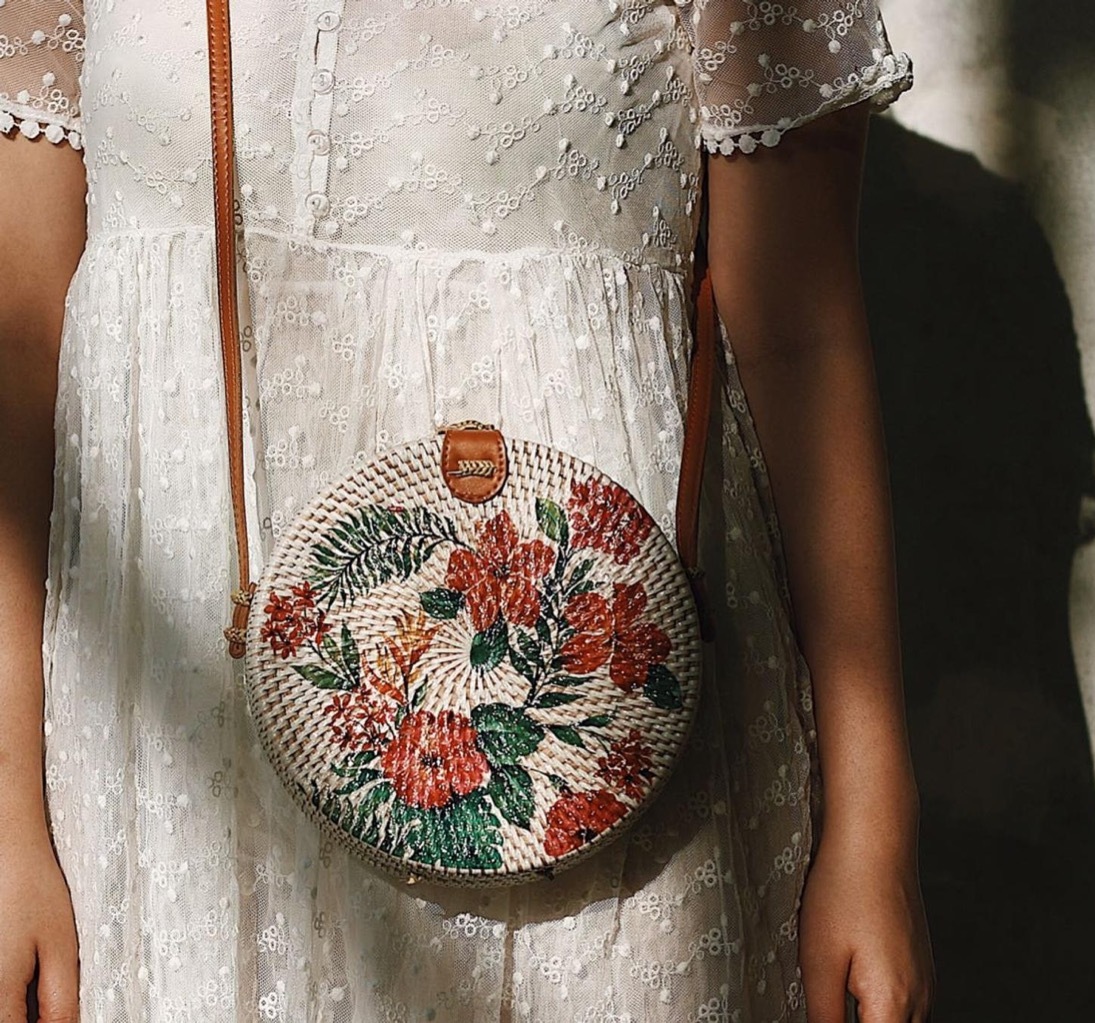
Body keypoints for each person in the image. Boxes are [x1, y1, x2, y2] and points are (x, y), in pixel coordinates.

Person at [0, 2, 934, 1020]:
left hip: (617, 779)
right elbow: (20, 336)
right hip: (172, 768)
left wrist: (874, 829)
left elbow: (801, 334)